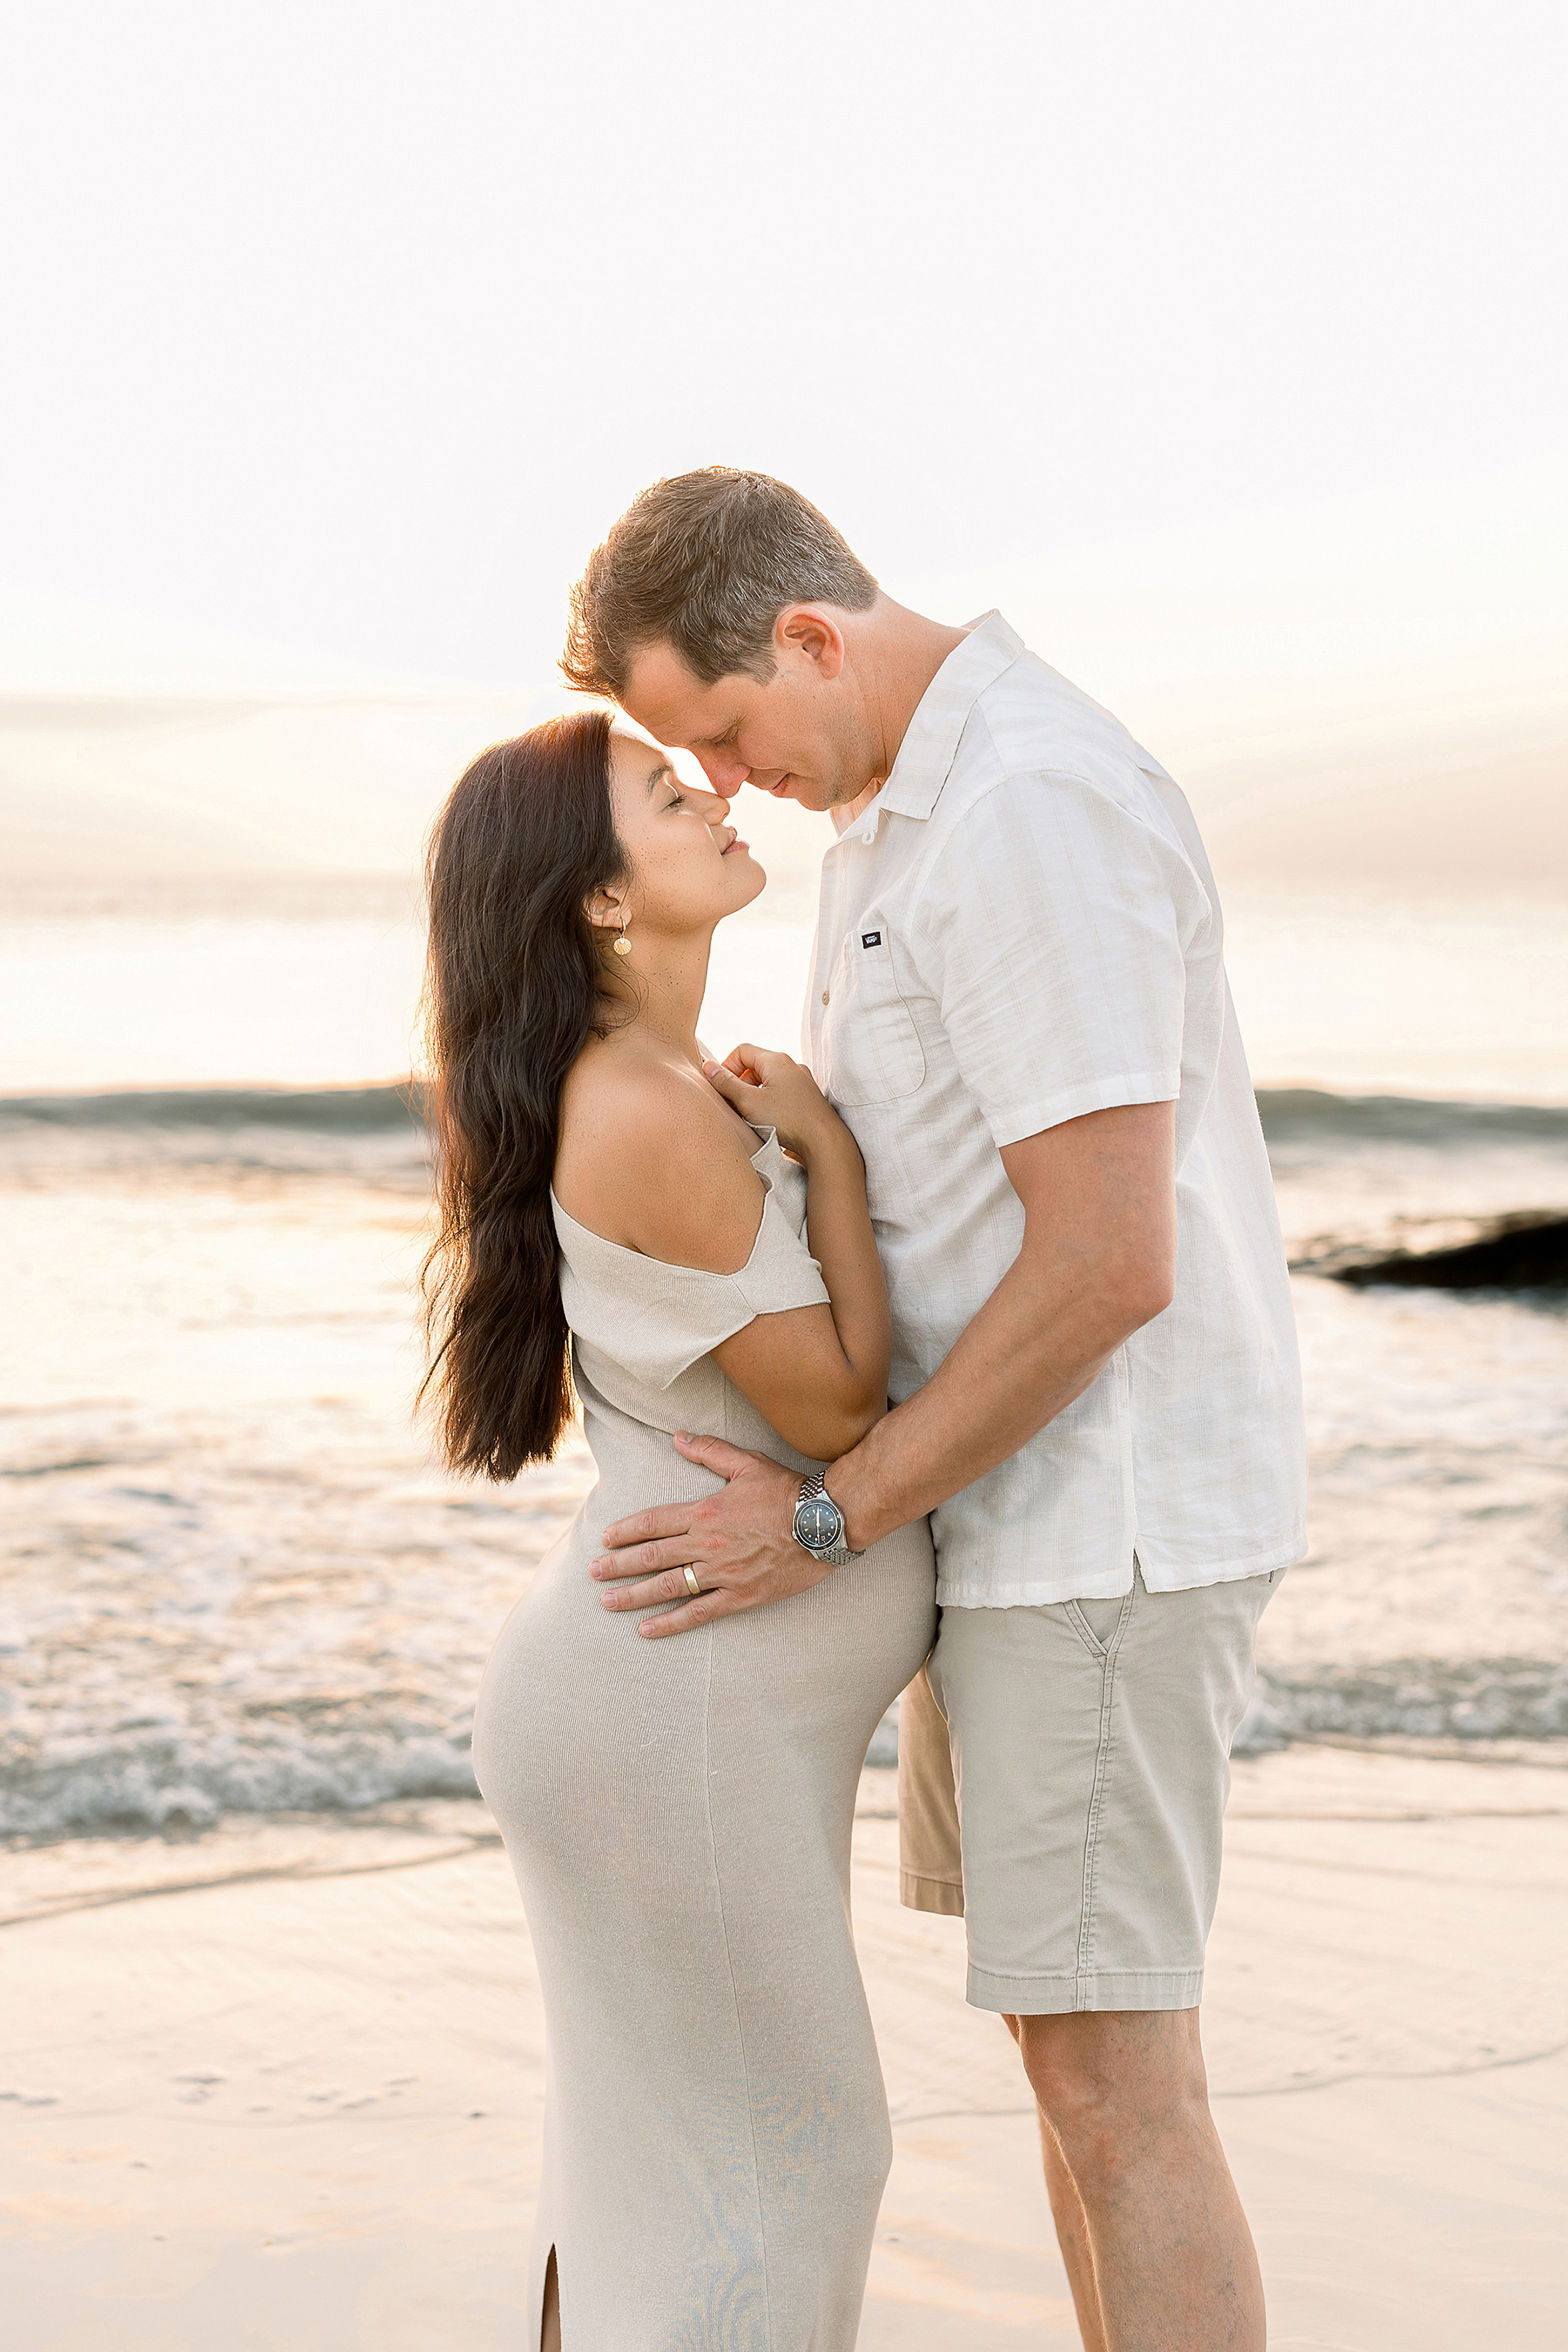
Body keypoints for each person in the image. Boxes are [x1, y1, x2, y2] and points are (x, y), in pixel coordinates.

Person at [564, 468, 1309, 2352]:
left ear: (813, 635)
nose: (725, 779)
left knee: (1120, 2091)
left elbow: (1109, 1261)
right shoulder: (892, 822)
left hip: (1100, 1538)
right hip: (1013, 1529)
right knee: (1078, 2081)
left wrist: (824, 1518)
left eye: (723, 729)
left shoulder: (1029, 807)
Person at [421, 709, 936, 2352]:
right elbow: (842, 1412)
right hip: (669, 1721)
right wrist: (833, 1158)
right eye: (664, 792)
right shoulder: (644, 1103)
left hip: (672, 1713)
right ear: (594, 901)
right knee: (780, 2175)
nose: (711, 791)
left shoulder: (650, 1087)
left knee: (668, 2188)